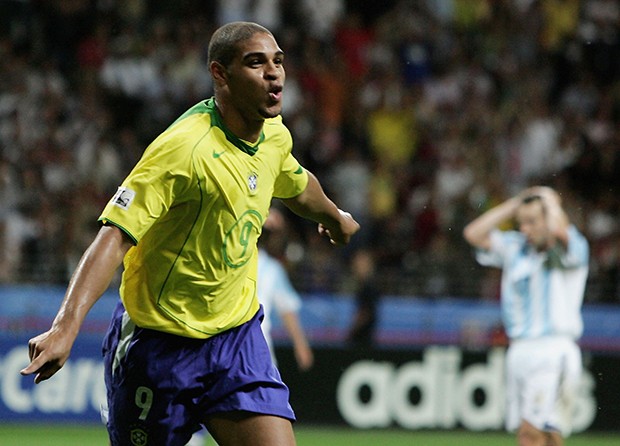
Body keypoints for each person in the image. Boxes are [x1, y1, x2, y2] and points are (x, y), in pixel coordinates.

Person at [20, 21, 359, 446]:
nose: (273, 73)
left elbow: (295, 182)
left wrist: (334, 216)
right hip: (159, 347)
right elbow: (114, 236)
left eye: (277, 62)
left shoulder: (273, 136)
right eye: (255, 63)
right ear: (220, 74)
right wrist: (65, 328)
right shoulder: (182, 150)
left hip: (236, 338)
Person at [463, 186, 588, 446]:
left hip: (552, 350)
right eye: (521, 223)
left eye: (532, 222)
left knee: (530, 435)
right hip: (519, 350)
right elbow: (473, 234)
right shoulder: (515, 247)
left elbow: (556, 232)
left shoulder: (571, 247)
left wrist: (551, 203)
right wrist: (515, 203)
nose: (525, 229)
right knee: (545, 436)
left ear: (550, 219)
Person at [188, 208, 313, 446]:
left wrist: (301, 345)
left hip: (254, 350)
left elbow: (287, 310)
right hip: (230, 345)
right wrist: (301, 346)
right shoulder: (231, 255)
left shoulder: (268, 267)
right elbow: (288, 310)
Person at [347, 248, 379, 347]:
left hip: (363, 340)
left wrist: (351, 332)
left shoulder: (368, 288)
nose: (356, 266)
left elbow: (365, 313)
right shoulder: (364, 286)